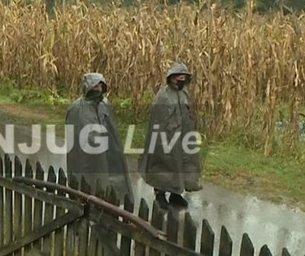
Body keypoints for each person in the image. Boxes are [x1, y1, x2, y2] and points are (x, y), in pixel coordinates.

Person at [138, 62, 202, 208]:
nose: (181, 79)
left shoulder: (184, 94)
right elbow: (157, 119)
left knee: (182, 164)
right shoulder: (162, 96)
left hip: (183, 137)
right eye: (179, 76)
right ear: (171, 77)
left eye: (184, 76)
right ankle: (160, 195)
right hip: (165, 137)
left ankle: (176, 194)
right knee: (163, 165)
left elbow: (188, 115)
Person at [65, 72, 135, 202]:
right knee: (90, 181)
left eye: (100, 86)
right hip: (87, 155)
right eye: (95, 86)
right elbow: (74, 139)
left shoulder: (104, 105)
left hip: (108, 151)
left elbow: (111, 129)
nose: (98, 89)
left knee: (111, 180)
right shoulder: (76, 108)